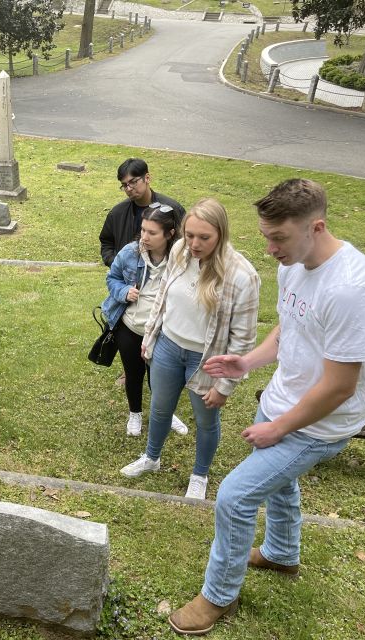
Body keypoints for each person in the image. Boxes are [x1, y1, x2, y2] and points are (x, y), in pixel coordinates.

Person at [167, 179, 365, 636]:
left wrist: (279, 427)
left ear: (317, 226)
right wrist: (247, 361)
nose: (269, 249)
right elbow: (289, 328)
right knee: (278, 484)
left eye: (279, 238)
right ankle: (282, 554)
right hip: (281, 401)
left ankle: (218, 596)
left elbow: (340, 387)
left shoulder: (350, 288)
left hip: (320, 424)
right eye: (266, 236)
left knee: (234, 496)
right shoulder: (294, 263)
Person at [119, 198, 260, 501]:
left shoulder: (241, 276)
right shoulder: (180, 250)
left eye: (204, 238)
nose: (194, 244)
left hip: (206, 360)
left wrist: (225, 385)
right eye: (190, 234)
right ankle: (152, 458)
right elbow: (162, 297)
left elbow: (244, 339)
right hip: (169, 345)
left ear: (221, 234)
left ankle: (200, 474)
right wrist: (150, 335)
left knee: (205, 421)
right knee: (159, 408)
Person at [101, 204, 188, 437]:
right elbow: (113, 278)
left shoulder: (181, 258)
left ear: (169, 234)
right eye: (143, 230)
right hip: (129, 327)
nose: (144, 237)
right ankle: (135, 414)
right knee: (134, 373)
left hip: (162, 331)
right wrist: (123, 291)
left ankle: (165, 413)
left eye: (152, 232)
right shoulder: (131, 252)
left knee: (160, 376)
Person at [99, 158, 185, 268]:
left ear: (147, 178)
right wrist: (117, 264)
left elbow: (184, 243)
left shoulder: (172, 209)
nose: (129, 189)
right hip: (127, 281)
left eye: (133, 182)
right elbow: (107, 243)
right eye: (124, 185)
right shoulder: (117, 213)